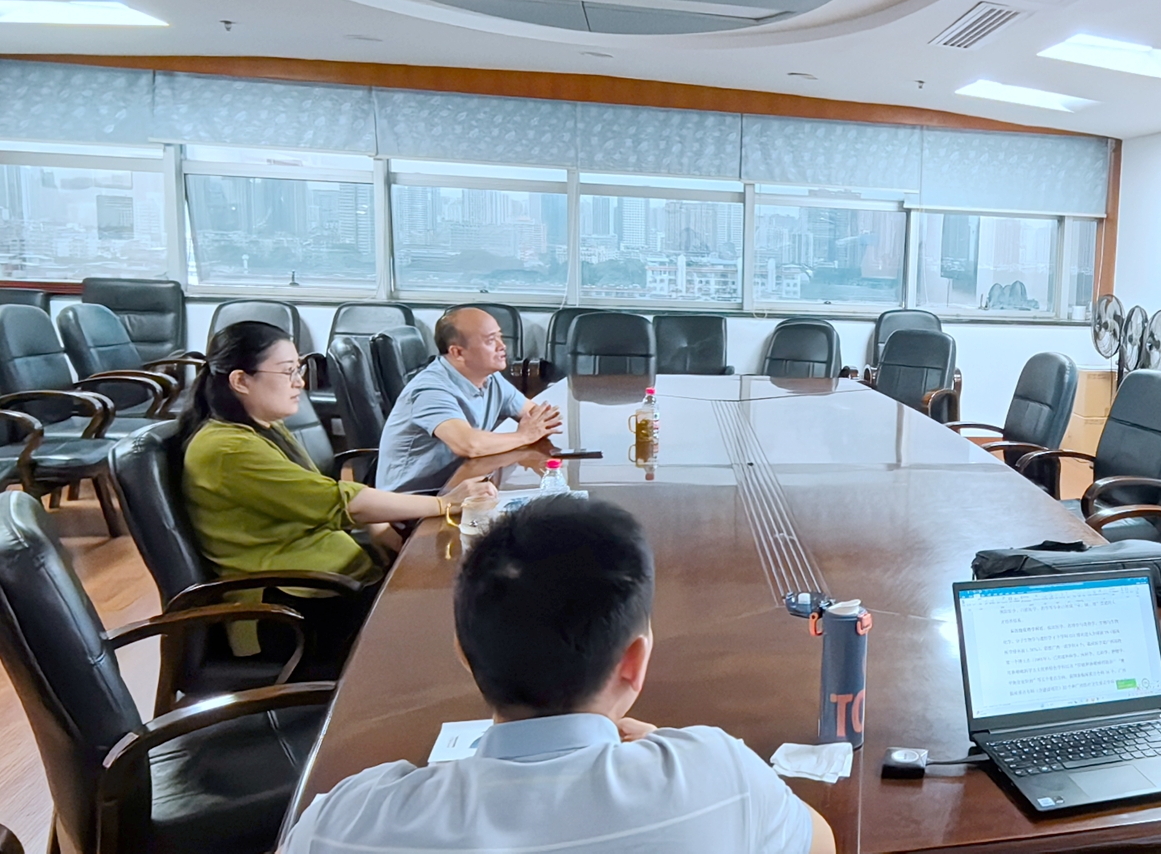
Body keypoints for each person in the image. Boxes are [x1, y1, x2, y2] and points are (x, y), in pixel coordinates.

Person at [280, 495, 837, 854]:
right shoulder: (720, 778)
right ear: (634, 662)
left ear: (463, 653)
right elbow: (820, 843)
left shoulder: (344, 824)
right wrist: (669, 746)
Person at [180, 320, 496, 659]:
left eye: (298, 369)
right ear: (240, 380)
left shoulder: (260, 429)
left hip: (329, 585)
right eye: (287, 371)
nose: (299, 382)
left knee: (455, 591)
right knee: (447, 615)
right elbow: (334, 500)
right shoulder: (227, 450)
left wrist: (378, 526)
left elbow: (319, 494)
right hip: (288, 610)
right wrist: (445, 504)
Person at [377, 306, 562, 492]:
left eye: (500, 336)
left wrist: (540, 424)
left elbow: (537, 415)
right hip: (415, 500)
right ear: (458, 352)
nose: (502, 346)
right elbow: (469, 445)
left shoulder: (490, 378)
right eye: (491, 340)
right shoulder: (431, 390)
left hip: (461, 483)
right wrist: (524, 436)